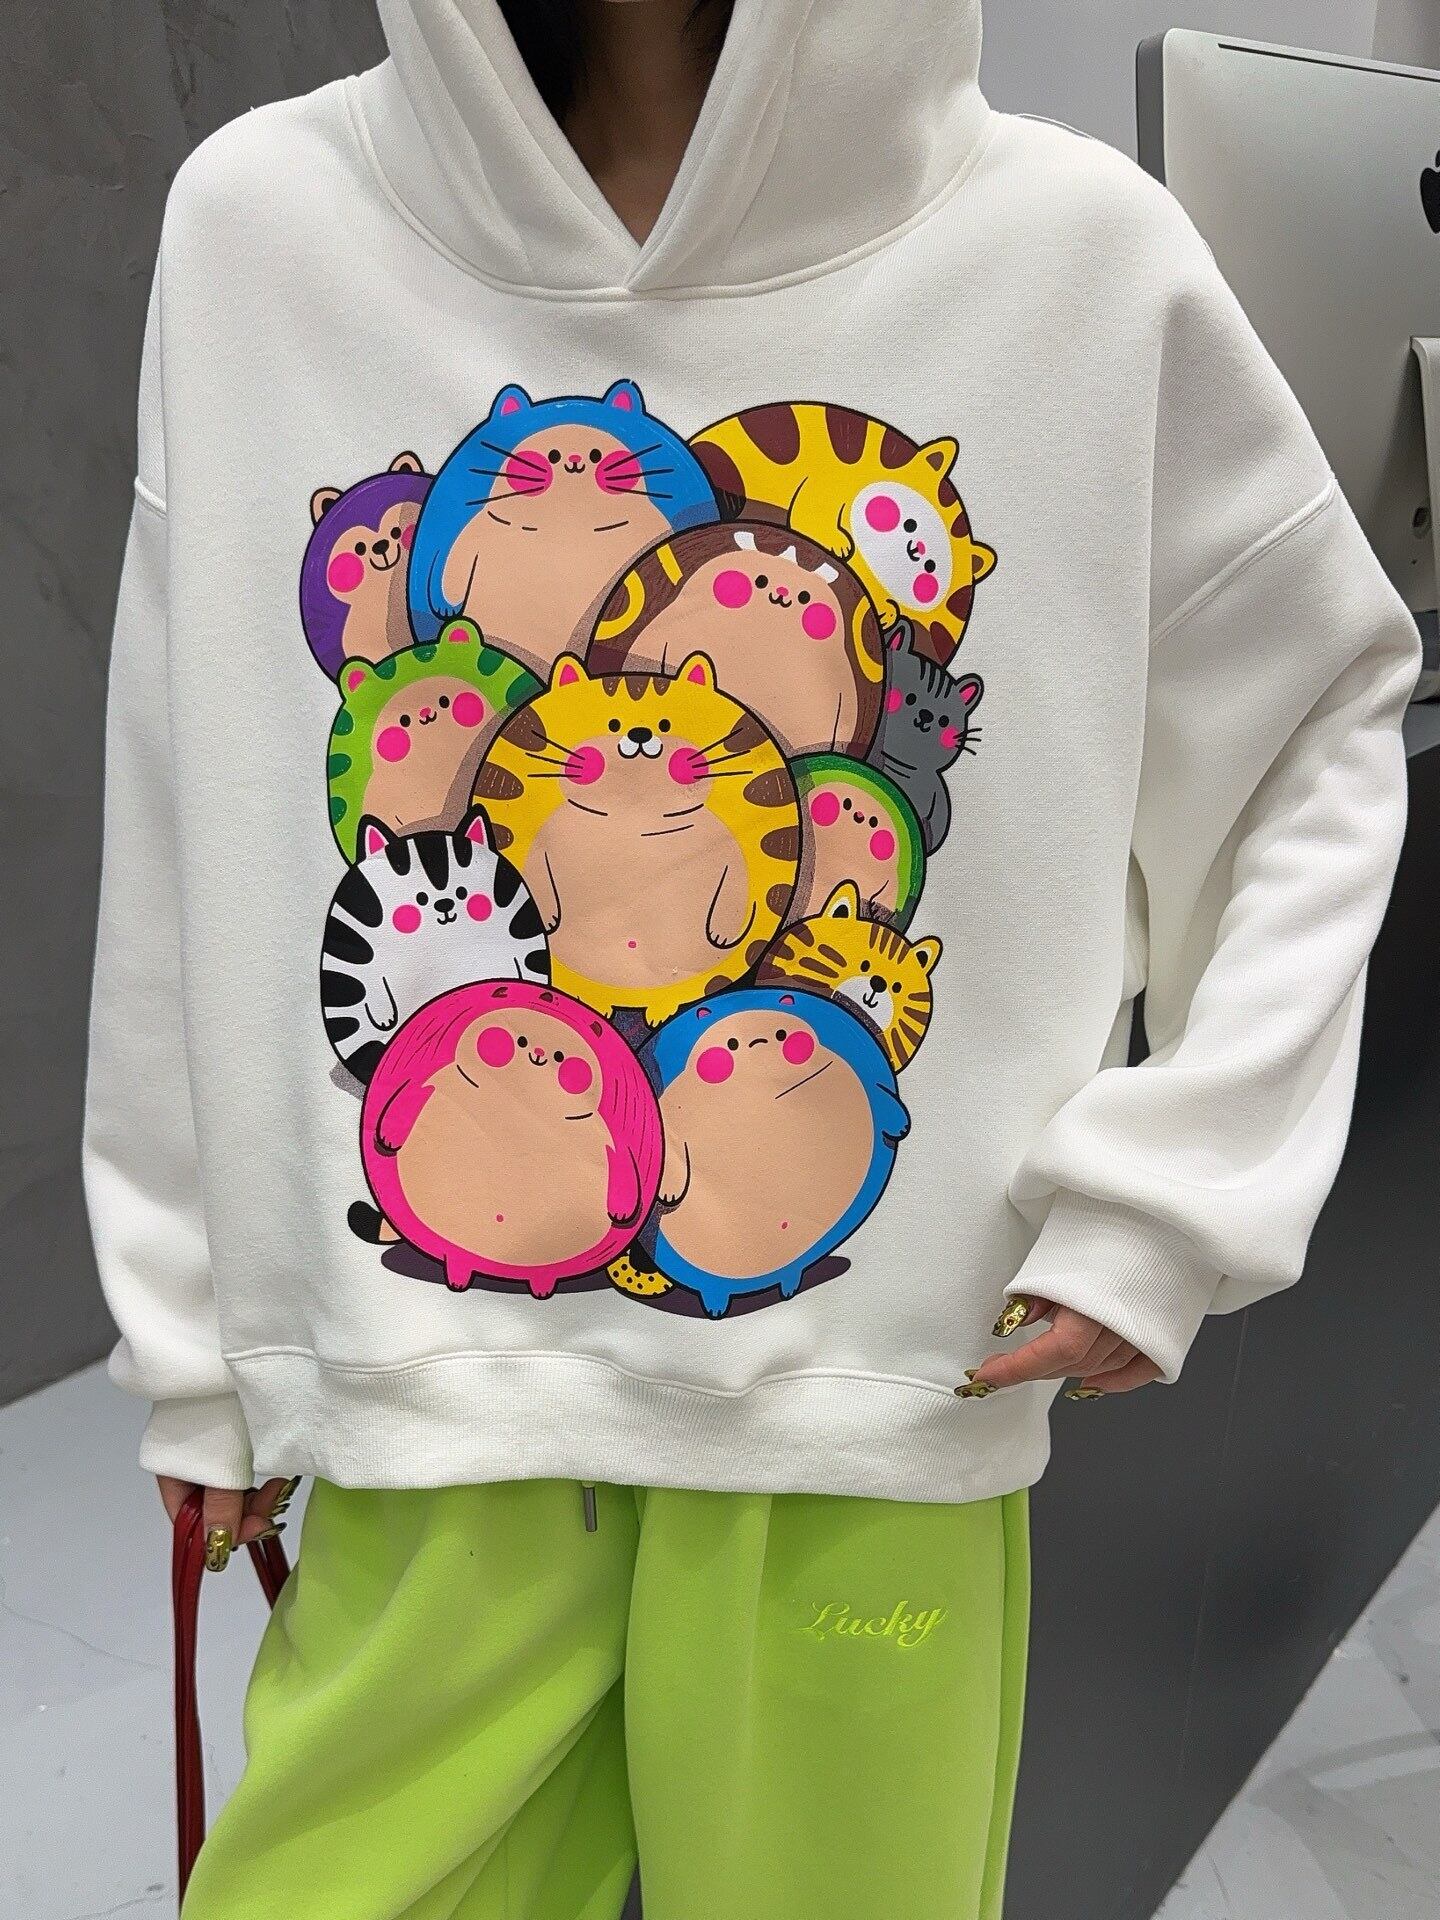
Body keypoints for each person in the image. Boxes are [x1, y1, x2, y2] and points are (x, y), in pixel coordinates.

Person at [83, 1, 1418, 1915]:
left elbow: (1315, 717)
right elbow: (182, 799)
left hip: (877, 1412)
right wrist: (195, 1333)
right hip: (425, 1395)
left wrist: (1181, 1190)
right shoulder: (265, 224)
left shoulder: (1074, 256)